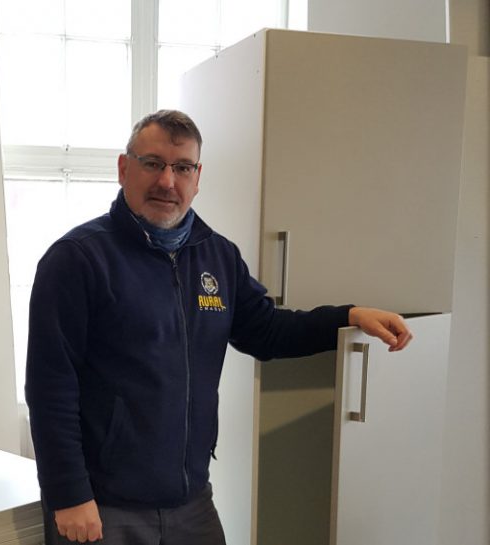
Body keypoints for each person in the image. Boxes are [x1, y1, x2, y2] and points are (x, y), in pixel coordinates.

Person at [25, 109, 412, 544]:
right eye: (152, 163)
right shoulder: (77, 259)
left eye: (182, 167)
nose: (167, 182)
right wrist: (69, 494)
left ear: (197, 176)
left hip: (191, 501)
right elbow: (49, 386)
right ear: (123, 168)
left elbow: (267, 331)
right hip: (105, 505)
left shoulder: (217, 256)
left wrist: (347, 317)